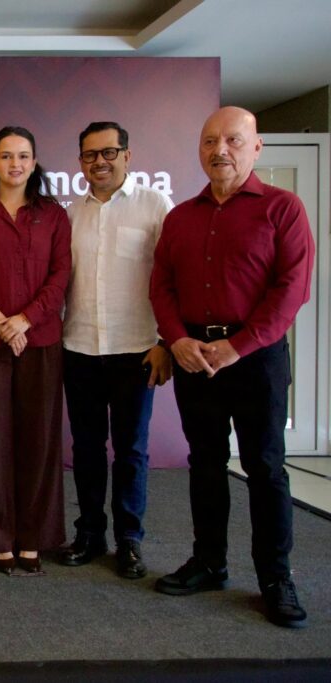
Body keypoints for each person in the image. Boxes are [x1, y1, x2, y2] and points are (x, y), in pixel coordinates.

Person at [150, 106, 314, 628]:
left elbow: (292, 289)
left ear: (256, 147)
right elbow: (162, 285)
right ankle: (209, 561)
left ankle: (275, 576)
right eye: (209, 141)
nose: (220, 150)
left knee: (265, 467)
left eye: (232, 141)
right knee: (205, 462)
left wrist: (239, 346)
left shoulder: (283, 209)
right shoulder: (181, 217)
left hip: (256, 360)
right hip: (194, 356)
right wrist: (176, 338)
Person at [0, 126, 71, 576]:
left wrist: (24, 320)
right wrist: (0, 320)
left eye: (23, 155)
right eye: (6, 156)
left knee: (39, 442)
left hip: (40, 341)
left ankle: (33, 537)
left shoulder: (54, 215)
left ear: (35, 161)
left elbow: (60, 275)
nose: (15, 164)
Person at [59, 122, 173, 578]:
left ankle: (130, 539)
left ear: (127, 155)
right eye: (90, 155)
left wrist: (167, 341)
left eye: (109, 152)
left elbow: (172, 277)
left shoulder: (156, 206)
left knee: (131, 450)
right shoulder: (70, 215)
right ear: (80, 162)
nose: (99, 162)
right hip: (80, 347)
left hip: (136, 349)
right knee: (86, 448)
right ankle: (89, 533)